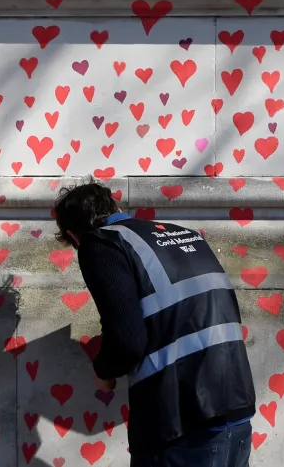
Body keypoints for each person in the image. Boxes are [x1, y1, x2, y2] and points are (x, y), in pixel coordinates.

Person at [52, 181, 256, 467]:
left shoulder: (101, 242)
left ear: (74, 236)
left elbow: (127, 341)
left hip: (181, 421)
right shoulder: (186, 235)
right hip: (235, 405)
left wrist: (104, 370)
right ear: (117, 208)